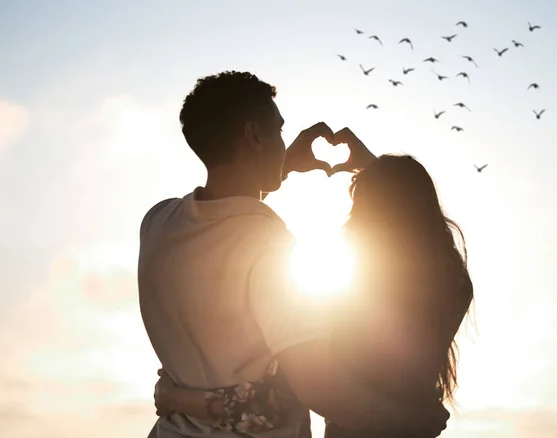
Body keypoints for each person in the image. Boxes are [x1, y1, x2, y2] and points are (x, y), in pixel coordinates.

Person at [138, 71, 450, 438]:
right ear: (254, 136)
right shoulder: (269, 245)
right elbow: (318, 385)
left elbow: (222, 216)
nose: (285, 141)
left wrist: (279, 167)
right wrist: (412, 422)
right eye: (279, 130)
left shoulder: (158, 223)